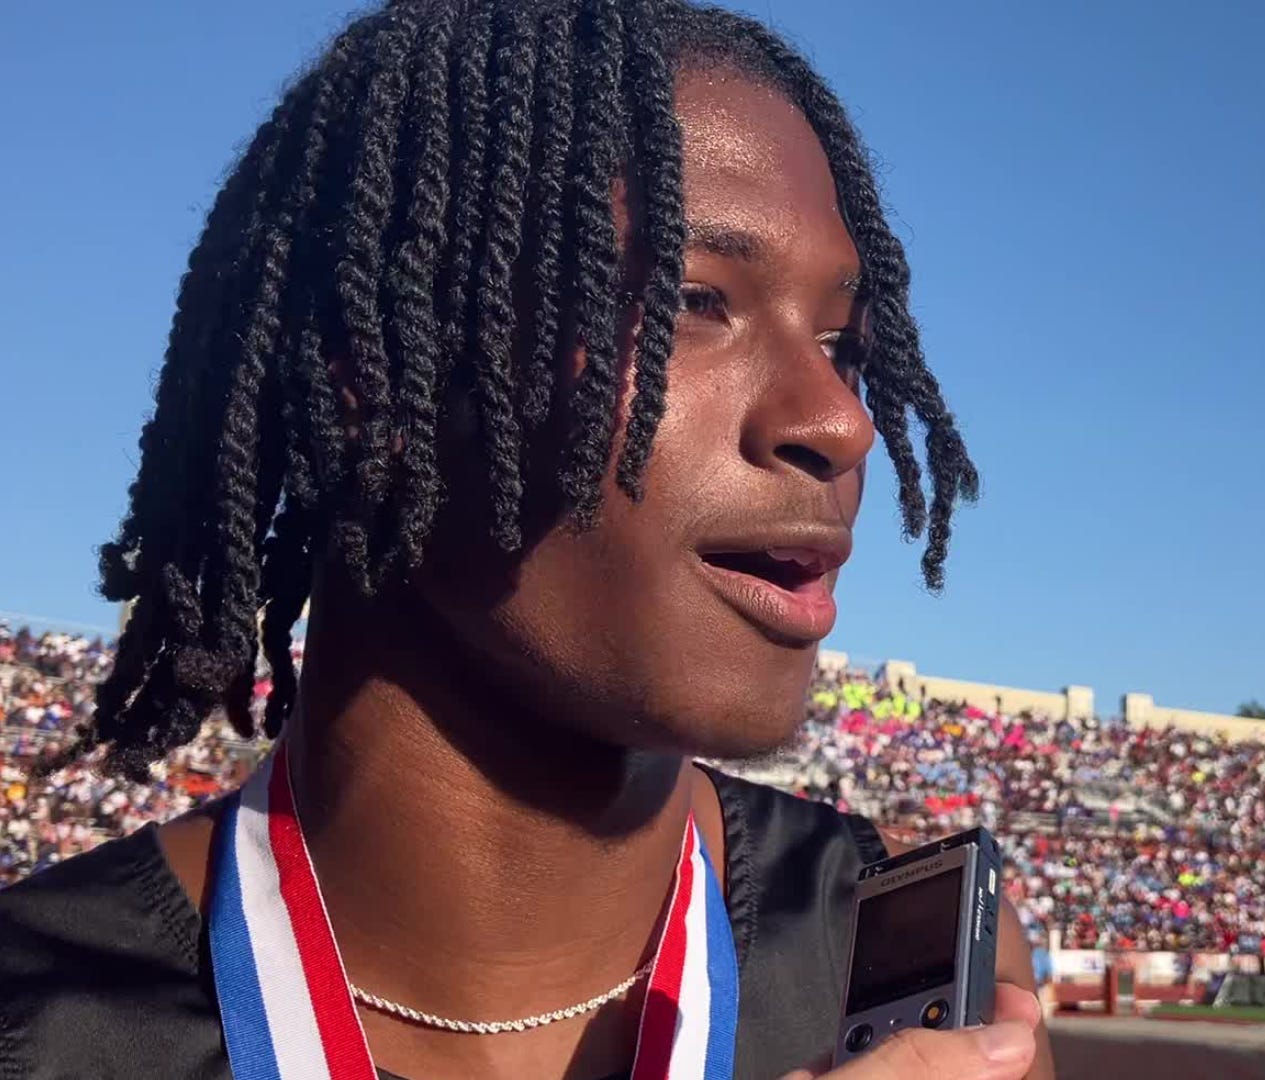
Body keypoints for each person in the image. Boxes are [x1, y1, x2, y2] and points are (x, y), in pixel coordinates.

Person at [0, 3, 1048, 1079]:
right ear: (374, 377)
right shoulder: (41, 1030)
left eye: (841, 342)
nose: (840, 420)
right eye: (695, 300)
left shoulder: (894, 972)